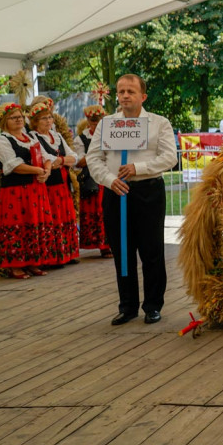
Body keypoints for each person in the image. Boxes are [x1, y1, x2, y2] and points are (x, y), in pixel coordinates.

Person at [88, 74, 178, 326]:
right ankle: (127, 307)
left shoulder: (159, 123)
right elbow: (94, 158)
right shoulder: (107, 124)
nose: (125, 95)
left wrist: (138, 168)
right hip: (116, 191)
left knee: (151, 250)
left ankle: (153, 305)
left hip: (148, 191)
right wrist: (109, 180)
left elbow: (169, 157)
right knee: (121, 250)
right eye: (121, 91)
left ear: (143, 96)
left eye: (131, 91)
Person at [0, 103, 58, 278]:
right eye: (14, 117)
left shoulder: (30, 138)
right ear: (5, 121)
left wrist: (47, 170)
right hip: (16, 192)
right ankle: (15, 265)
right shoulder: (2, 140)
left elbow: (47, 156)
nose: (19, 120)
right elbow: (13, 165)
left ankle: (33, 262)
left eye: (20, 116)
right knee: (18, 226)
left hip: (35, 190)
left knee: (34, 224)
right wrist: (37, 170)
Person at [29, 99, 80, 265]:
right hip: (48, 185)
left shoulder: (57, 136)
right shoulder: (33, 137)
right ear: (35, 121)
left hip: (63, 182)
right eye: (44, 118)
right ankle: (54, 257)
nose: (48, 121)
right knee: (53, 217)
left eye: (50, 117)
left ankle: (68, 253)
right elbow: (47, 158)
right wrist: (61, 160)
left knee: (66, 215)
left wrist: (62, 160)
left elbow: (74, 156)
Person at [74, 105, 113, 258]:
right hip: (93, 181)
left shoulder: (112, 135)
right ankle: (102, 245)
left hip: (109, 178)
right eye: (93, 121)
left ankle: (112, 243)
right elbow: (79, 162)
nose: (97, 124)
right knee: (97, 212)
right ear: (88, 121)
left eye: (100, 120)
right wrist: (96, 154)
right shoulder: (81, 139)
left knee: (110, 211)